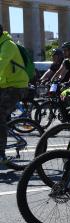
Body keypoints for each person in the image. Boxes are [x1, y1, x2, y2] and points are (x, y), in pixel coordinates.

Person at [0, 24, 29, 165]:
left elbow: (1, 63)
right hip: (5, 85)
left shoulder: (8, 45)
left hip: (17, 85)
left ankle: (1, 154)